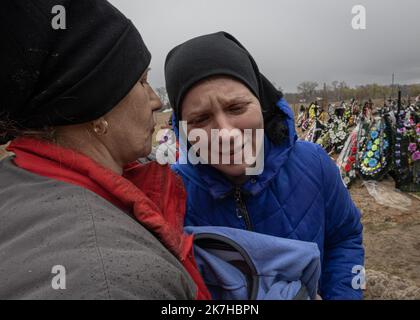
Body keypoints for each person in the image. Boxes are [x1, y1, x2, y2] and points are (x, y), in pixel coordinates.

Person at [0, 0, 210, 300]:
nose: (155, 101)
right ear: (97, 108)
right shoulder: (113, 280)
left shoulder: (17, 180)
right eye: (142, 81)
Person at [165, 31, 364, 300]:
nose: (226, 133)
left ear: (262, 104)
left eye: (236, 108)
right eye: (200, 119)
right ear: (182, 129)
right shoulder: (171, 194)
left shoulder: (314, 164)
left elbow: (345, 237)